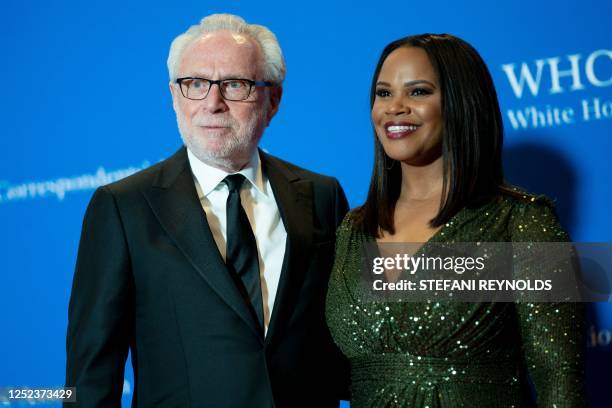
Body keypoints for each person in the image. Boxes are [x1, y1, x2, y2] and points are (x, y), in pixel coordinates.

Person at [66, 14, 349, 407]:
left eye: (235, 85)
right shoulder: (122, 207)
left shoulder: (322, 196)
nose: (212, 104)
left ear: (273, 100)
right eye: (195, 84)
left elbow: (348, 343)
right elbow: (90, 376)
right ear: (174, 96)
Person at [326, 34, 586, 407]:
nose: (394, 107)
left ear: (462, 104)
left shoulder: (522, 222)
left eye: (418, 92)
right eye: (383, 93)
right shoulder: (353, 230)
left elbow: (559, 381)